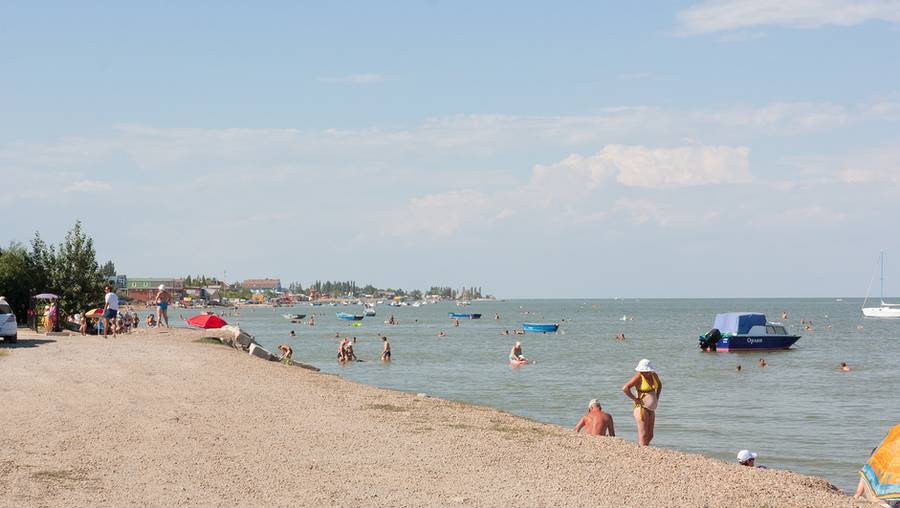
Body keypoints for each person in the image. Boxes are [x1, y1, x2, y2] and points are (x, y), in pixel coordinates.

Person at [623, 359, 662, 446]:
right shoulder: (638, 377)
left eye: (646, 371)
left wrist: (657, 397)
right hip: (641, 408)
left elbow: (659, 385)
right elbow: (625, 388)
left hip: (651, 409)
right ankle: (642, 451)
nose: (644, 373)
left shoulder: (654, 375)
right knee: (643, 435)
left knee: (650, 435)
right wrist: (635, 399)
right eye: (642, 371)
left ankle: (643, 448)